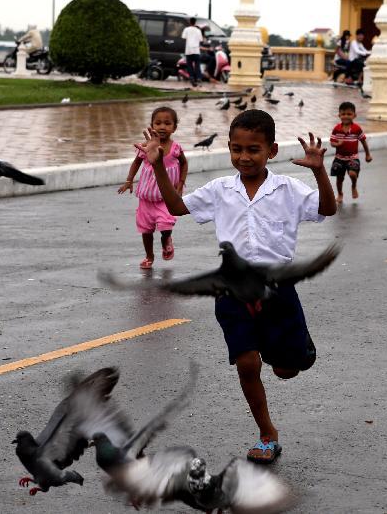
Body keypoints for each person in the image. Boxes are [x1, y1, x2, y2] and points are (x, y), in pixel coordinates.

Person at [138, 109, 337, 464]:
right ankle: (266, 433)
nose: (244, 157)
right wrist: (155, 165)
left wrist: (320, 170)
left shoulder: (288, 189)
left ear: (271, 150)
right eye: (236, 149)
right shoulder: (220, 189)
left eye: (253, 149)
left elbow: (327, 208)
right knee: (247, 363)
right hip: (231, 289)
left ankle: (296, 349)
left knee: (286, 369)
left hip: (278, 289)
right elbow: (177, 207)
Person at [118, 107, 188, 270]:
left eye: (167, 123)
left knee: (165, 226)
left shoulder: (176, 148)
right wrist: (129, 180)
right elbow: (137, 162)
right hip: (146, 198)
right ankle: (149, 256)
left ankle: (166, 241)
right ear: (151, 126)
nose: (162, 127)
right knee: (146, 230)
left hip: (166, 198)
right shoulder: (146, 146)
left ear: (174, 127)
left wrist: (181, 182)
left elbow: (184, 163)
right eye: (158, 123)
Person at [329, 101, 372, 204]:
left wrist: (368, 154)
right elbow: (332, 142)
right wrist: (337, 144)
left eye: (349, 114)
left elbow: (363, 141)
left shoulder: (356, 129)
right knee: (339, 179)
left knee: (352, 174)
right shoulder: (336, 129)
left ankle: (353, 186)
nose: (346, 116)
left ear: (354, 115)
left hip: (353, 157)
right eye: (343, 114)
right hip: (339, 158)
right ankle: (340, 194)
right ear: (339, 115)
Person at [182, 17, 203, 87]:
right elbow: (201, 40)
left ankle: (191, 77)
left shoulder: (186, 29)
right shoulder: (198, 30)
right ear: (195, 22)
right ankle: (199, 77)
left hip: (188, 50)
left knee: (189, 65)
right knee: (197, 65)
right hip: (196, 50)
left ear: (189, 22)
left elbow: (183, 37)